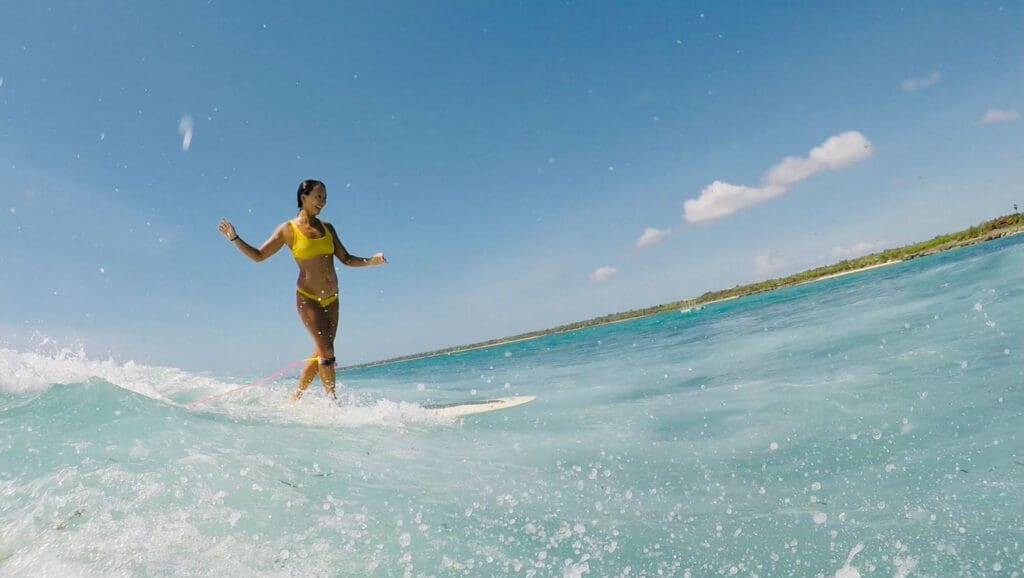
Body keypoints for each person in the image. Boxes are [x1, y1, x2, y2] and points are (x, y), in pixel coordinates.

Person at [217, 179, 386, 401]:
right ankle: (333, 403)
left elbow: (345, 258)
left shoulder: (328, 228)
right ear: (303, 197)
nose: (323, 202)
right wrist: (234, 238)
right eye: (318, 196)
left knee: (320, 351)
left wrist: (370, 261)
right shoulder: (288, 229)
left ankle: (295, 397)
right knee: (327, 352)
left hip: (332, 298)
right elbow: (259, 256)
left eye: (325, 198)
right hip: (309, 299)